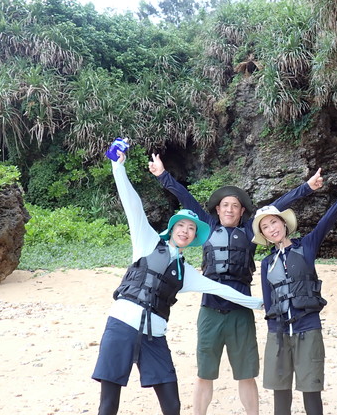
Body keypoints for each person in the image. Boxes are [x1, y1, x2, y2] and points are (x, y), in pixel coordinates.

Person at [92, 146, 264, 415]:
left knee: (172, 405)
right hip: (122, 325)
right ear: (172, 228)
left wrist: (261, 303)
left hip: (154, 336)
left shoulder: (186, 272)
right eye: (181, 225)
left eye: (191, 228)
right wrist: (118, 167)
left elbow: (223, 290)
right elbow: (132, 204)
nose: (185, 231)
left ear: (195, 237)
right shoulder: (147, 242)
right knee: (108, 404)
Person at [149, 154, 324, 415]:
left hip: (241, 312)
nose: (229, 209)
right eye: (225, 205)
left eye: (235, 206)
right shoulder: (208, 226)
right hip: (210, 310)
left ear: (242, 211)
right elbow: (185, 197)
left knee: (246, 374)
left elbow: (276, 207)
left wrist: (307, 187)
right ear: (217, 210)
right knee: (204, 373)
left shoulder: (250, 232)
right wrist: (163, 175)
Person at [251, 158, 337, 415]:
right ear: (264, 234)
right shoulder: (267, 263)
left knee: (311, 392)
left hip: (308, 328)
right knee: (281, 396)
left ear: (284, 223)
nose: (271, 229)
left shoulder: (306, 246)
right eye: (265, 227)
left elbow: (329, 218)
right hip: (278, 333)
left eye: (274, 222)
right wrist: (274, 332)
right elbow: (269, 303)